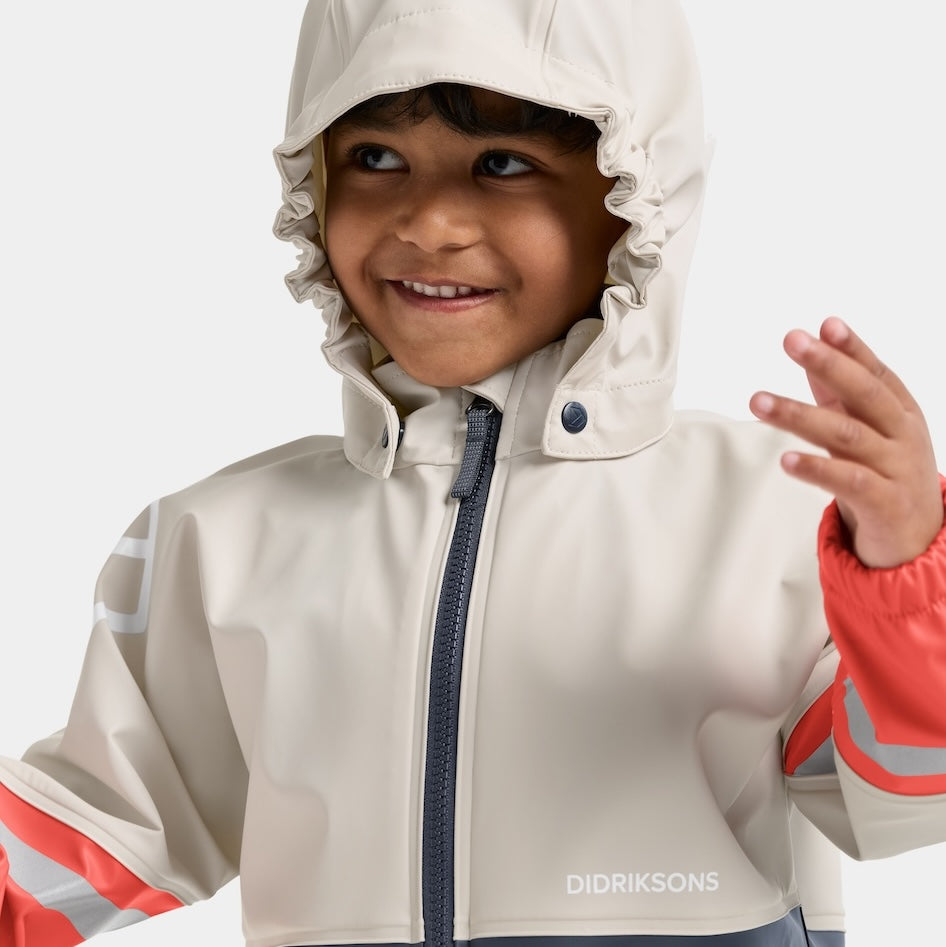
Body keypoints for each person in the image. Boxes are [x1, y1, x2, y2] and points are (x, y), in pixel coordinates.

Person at [1, 1, 945, 945]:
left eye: (504, 163)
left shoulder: (770, 518)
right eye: (374, 156)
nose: (430, 222)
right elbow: (106, 823)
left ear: (636, 190)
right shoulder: (224, 543)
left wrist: (906, 588)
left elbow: (898, 799)